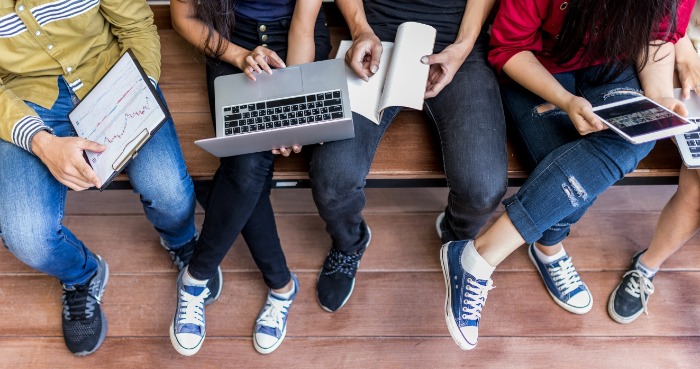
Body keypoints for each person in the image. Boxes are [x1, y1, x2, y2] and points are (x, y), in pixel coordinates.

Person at [439, 0, 694, 350]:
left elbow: (655, 37)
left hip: (611, 65)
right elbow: (509, 47)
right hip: (537, 67)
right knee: (558, 172)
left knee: (633, 141)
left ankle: (480, 255)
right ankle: (548, 247)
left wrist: (661, 97)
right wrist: (564, 100)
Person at [0, 0, 220, 356]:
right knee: (26, 237)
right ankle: (81, 275)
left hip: (113, 76)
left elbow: (136, 26)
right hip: (24, 102)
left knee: (170, 191)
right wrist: (40, 143)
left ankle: (180, 240)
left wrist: (135, 98)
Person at [309, 0, 508, 313]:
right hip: (377, 32)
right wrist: (361, 29)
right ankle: (349, 243)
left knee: (483, 186)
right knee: (332, 177)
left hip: (457, 37)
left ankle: (455, 236)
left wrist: (464, 45)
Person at [170, 0, 330, 355]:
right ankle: (281, 285)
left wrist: (291, 108)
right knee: (246, 165)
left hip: (296, 40)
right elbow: (182, 16)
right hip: (229, 38)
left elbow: (303, 26)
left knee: (246, 167)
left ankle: (196, 277)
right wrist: (240, 55)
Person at [608, 16, 700, 324]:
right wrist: (684, 47)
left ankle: (646, 266)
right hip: (675, 67)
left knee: (696, 191)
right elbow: (658, 15)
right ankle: (646, 266)